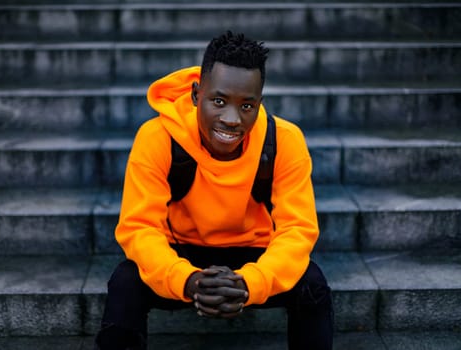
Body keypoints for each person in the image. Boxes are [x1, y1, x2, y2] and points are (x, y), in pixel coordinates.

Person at [96, 31, 333, 350]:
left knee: (312, 284)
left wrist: (250, 282)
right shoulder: (157, 138)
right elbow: (139, 229)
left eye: (247, 105)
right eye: (218, 101)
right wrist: (188, 280)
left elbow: (297, 230)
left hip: (253, 252)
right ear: (196, 95)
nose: (232, 119)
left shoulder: (285, 141)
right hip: (182, 249)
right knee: (126, 282)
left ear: (259, 103)